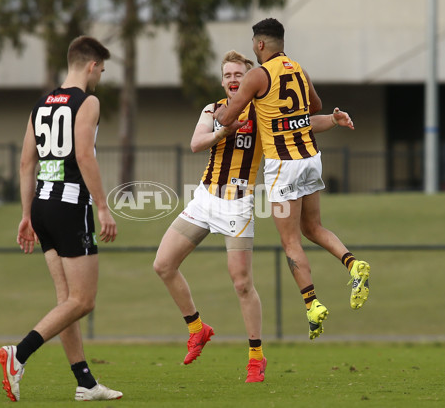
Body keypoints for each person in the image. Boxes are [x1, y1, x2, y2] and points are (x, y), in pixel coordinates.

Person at [153, 50, 356, 383]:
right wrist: (221, 131)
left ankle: (256, 357)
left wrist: (333, 120)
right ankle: (197, 328)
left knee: (242, 283)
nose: (234, 80)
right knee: (163, 264)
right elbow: (195, 143)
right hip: (205, 199)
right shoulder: (213, 109)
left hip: (237, 204)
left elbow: (304, 123)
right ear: (222, 81)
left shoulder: (262, 113)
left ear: (247, 80)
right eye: (228, 75)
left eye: (239, 75)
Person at [215, 18, 371, 341]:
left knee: (291, 241)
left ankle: (312, 305)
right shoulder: (298, 69)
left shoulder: (258, 75)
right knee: (313, 227)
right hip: (310, 158)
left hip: (283, 166)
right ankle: (354, 265)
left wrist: (214, 114)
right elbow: (314, 106)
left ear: (259, 45)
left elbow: (229, 117)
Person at [0, 36, 122, 402]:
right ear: (90, 65)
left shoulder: (41, 104)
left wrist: (25, 215)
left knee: (66, 299)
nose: (100, 74)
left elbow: (25, 163)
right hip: (71, 205)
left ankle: (85, 382)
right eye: (101, 68)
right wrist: (102, 206)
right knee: (83, 301)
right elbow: (85, 156)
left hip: (42, 206)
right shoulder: (88, 102)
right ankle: (18, 354)